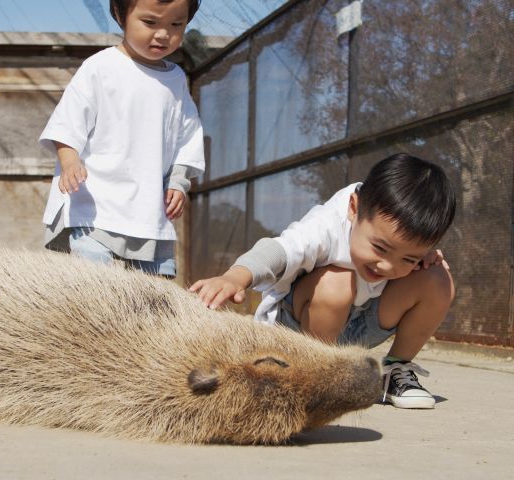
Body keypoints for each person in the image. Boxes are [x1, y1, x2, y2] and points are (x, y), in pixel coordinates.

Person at [190, 153, 456, 409]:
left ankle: (395, 369)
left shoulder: (397, 250)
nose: (388, 266)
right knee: (336, 283)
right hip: (296, 329)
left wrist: (419, 262)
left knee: (437, 278)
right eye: (380, 248)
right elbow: (279, 250)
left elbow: (406, 258)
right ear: (354, 209)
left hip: (357, 324)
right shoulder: (326, 225)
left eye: (408, 258)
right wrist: (235, 276)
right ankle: (314, 375)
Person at [39, 0, 204, 278]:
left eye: (176, 24)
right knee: (93, 280)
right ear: (120, 14)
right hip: (96, 201)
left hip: (149, 206)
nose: (163, 34)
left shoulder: (176, 80)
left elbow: (187, 137)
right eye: (150, 22)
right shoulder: (100, 67)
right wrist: (70, 162)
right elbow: (67, 123)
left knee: (153, 289)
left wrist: (178, 180)